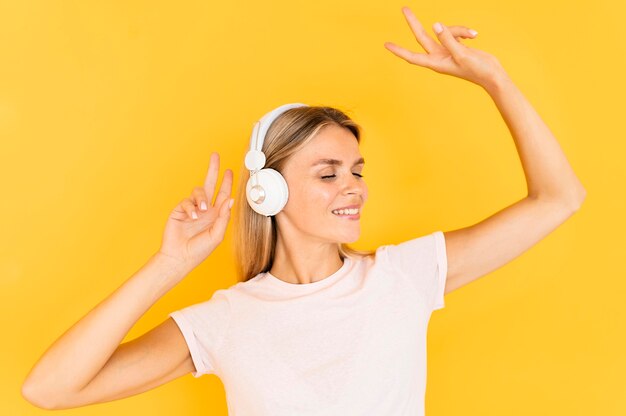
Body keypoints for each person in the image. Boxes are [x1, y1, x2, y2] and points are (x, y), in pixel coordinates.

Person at [21, 6, 586, 415]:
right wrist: (170, 264)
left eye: (358, 170)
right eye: (328, 172)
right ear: (267, 191)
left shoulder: (404, 277)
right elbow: (49, 390)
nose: (354, 188)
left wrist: (494, 79)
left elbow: (559, 199)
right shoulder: (226, 319)